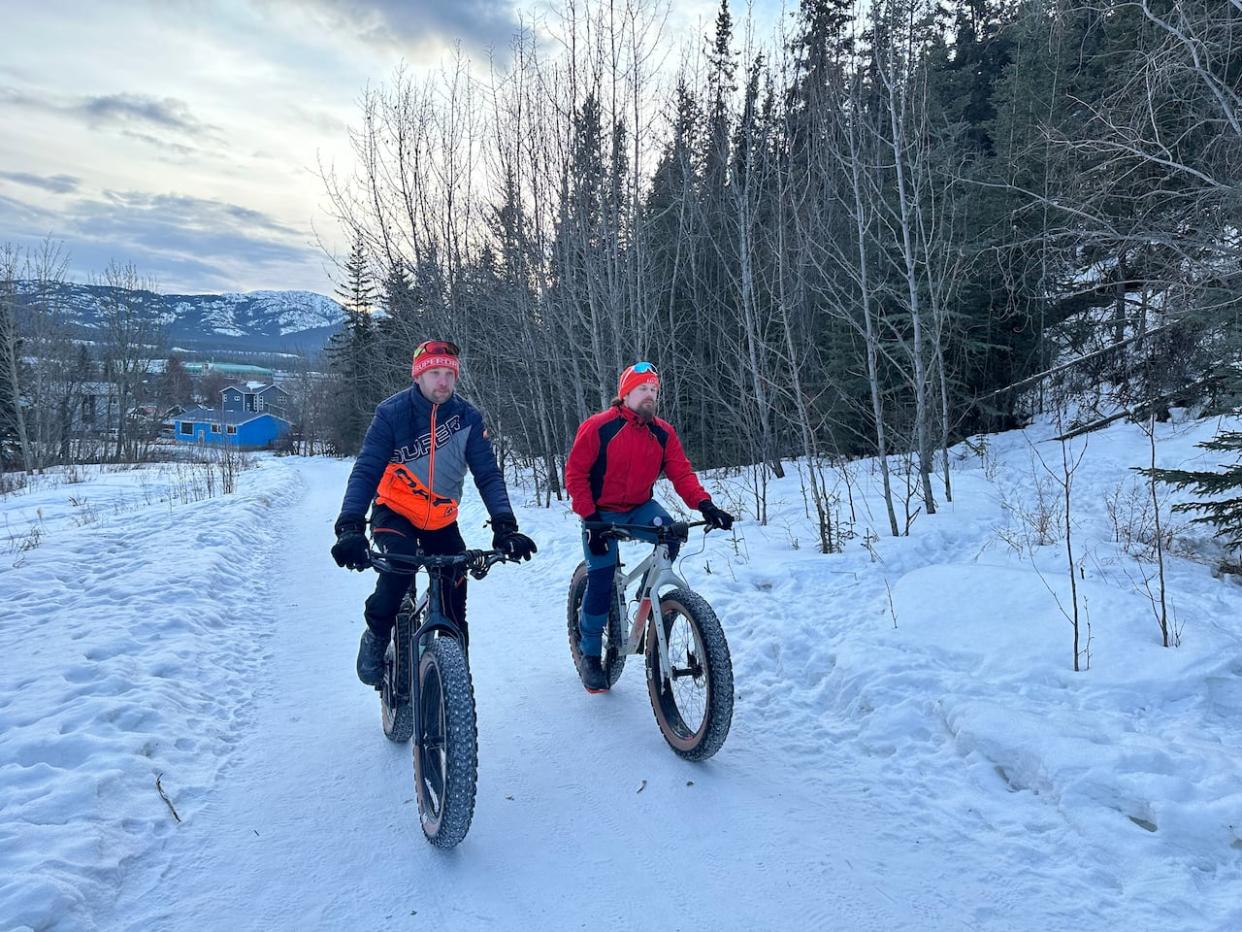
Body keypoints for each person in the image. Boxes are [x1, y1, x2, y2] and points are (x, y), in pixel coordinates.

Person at [331, 339, 537, 686]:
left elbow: (487, 474)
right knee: (399, 570)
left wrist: (505, 526)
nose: (443, 382)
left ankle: (456, 682)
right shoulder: (391, 413)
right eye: (435, 373)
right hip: (394, 512)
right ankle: (378, 635)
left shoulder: (467, 418)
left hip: (441, 520)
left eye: (449, 374)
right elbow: (366, 470)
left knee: (456, 587)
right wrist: (349, 526)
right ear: (418, 376)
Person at [564, 361, 734, 692]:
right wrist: (591, 518)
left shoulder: (663, 432)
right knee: (600, 576)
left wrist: (705, 505)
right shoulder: (599, 427)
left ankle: (647, 596)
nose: (650, 396)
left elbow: (681, 473)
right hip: (600, 512)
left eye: (654, 391)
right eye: (643, 389)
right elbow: (576, 474)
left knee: (670, 533)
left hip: (640, 507)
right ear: (625, 393)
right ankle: (589, 655)